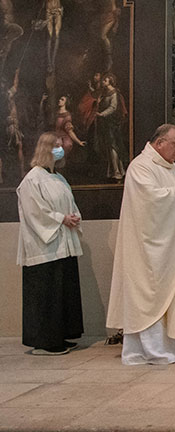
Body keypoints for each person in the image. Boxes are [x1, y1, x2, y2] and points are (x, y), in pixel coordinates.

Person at [106, 124, 175, 364]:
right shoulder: (141, 166)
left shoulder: (169, 165)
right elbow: (149, 201)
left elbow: (174, 193)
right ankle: (154, 346)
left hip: (174, 246)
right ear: (159, 143)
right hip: (151, 249)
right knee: (152, 294)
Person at [16, 132, 83, 355]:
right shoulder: (32, 180)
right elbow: (35, 212)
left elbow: (69, 203)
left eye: (60, 145)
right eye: (55, 145)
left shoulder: (58, 178)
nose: (60, 148)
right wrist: (61, 219)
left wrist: (73, 216)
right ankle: (45, 341)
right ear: (45, 148)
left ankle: (61, 334)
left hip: (63, 243)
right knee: (47, 294)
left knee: (63, 291)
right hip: (44, 247)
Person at [95, 74, 127, 181]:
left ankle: (117, 171)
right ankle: (115, 170)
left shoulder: (114, 93)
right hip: (106, 124)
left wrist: (102, 114)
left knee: (113, 146)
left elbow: (113, 108)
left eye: (105, 80)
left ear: (110, 81)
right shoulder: (104, 94)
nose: (103, 81)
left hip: (113, 124)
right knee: (109, 147)